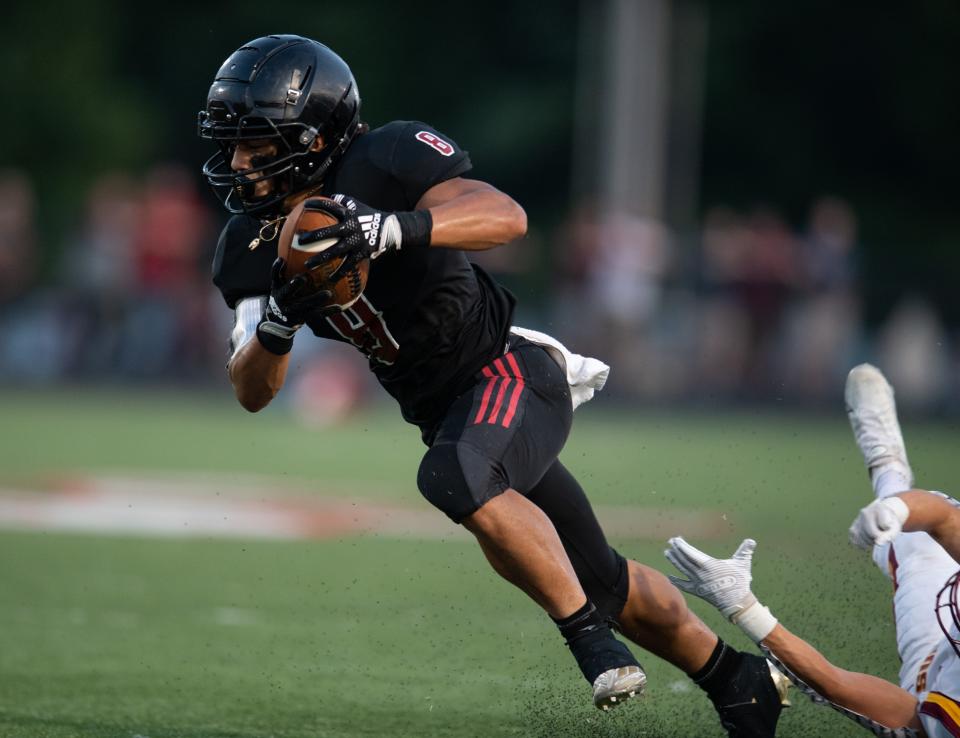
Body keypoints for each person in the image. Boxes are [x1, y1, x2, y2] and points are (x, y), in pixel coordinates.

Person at [198, 34, 788, 732]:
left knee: (453, 478)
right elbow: (251, 389)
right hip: (447, 410)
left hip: (505, 371)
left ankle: (590, 645)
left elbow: (505, 216)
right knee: (605, 581)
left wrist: (394, 229)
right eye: (232, 143)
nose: (238, 163)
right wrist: (279, 325)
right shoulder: (247, 245)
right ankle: (738, 681)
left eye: (257, 144)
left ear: (315, 134)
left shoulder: (385, 156)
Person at [665, 363, 959, 737]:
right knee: (916, 533)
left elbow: (835, 685)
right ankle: (889, 469)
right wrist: (897, 508)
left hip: (934, 699)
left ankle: (891, 474)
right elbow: (945, 519)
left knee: (912, 545)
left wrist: (743, 606)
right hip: (948, 667)